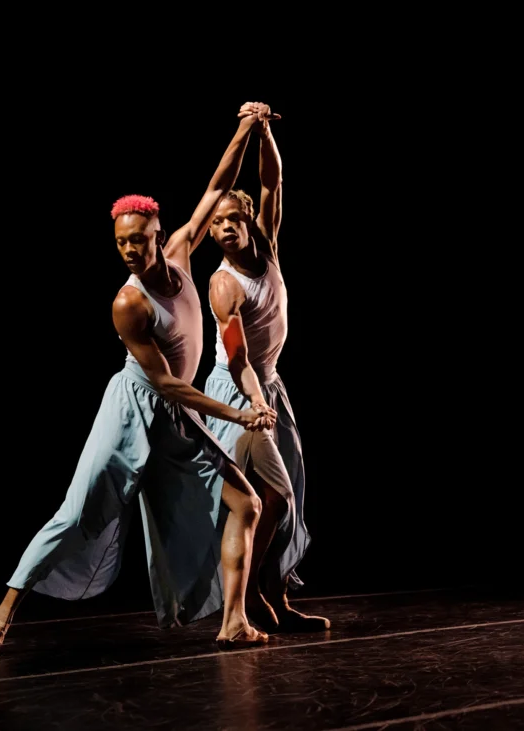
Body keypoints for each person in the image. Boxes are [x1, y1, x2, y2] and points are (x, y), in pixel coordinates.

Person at [0, 103, 279, 656]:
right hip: (135, 407)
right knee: (81, 509)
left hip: (178, 418)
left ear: (161, 234)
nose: (131, 250)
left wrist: (247, 126)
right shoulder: (128, 303)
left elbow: (219, 184)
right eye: (121, 243)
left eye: (139, 239)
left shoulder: (185, 255)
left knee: (247, 502)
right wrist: (236, 412)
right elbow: (164, 384)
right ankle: (5, 608)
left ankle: (232, 621)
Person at [204, 104, 329, 633]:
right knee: (268, 496)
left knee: (290, 496)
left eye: (234, 219)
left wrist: (262, 128)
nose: (227, 229)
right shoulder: (224, 283)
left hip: (272, 386)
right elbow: (236, 360)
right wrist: (255, 404)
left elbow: (272, 179)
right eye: (216, 223)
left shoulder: (269, 246)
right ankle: (251, 599)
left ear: (250, 218)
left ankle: (274, 595)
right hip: (238, 393)